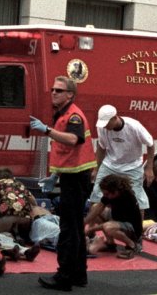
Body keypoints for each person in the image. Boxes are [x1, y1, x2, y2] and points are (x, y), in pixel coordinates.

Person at [29, 75, 96, 291]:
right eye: (53, 90)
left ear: (70, 94)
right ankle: (78, 274)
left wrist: (47, 130)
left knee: (68, 228)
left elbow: (73, 140)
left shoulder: (73, 116)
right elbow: (66, 153)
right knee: (75, 226)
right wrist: (55, 176)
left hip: (76, 180)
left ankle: (64, 276)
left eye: (59, 90)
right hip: (72, 177)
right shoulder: (63, 114)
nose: (54, 93)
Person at [89, 104, 154, 222]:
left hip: (132, 165)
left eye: (107, 123)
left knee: (137, 197)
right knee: (96, 194)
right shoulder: (102, 128)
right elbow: (101, 147)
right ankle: (93, 229)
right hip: (110, 164)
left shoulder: (134, 126)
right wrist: (96, 168)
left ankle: (137, 233)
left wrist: (149, 168)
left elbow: (150, 144)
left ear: (115, 118)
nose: (105, 126)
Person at [85, 174, 143, 259]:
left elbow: (111, 223)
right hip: (118, 220)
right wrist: (84, 222)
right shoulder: (111, 194)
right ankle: (110, 244)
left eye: (107, 194)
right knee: (94, 208)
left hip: (133, 229)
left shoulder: (127, 198)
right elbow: (98, 208)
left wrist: (91, 229)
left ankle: (132, 245)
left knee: (108, 227)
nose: (106, 196)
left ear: (115, 191)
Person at [0, 167, 37, 239]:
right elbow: (33, 201)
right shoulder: (19, 183)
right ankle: (18, 235)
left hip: (7, 217)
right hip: (26, 219)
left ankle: (9, 241)